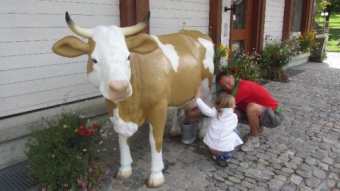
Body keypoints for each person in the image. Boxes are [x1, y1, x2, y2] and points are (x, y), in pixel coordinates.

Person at [193, 87, 243, 167]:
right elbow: (233, 127)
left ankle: (216, 154)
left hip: (211, 146)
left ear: (216, 105)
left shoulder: (214, 113)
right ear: (232, 107)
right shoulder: (234, 116)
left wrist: (197, 98)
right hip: (224, 149)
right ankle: (226, 157)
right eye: (234, 104)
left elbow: (205, 109)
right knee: (236, 133)